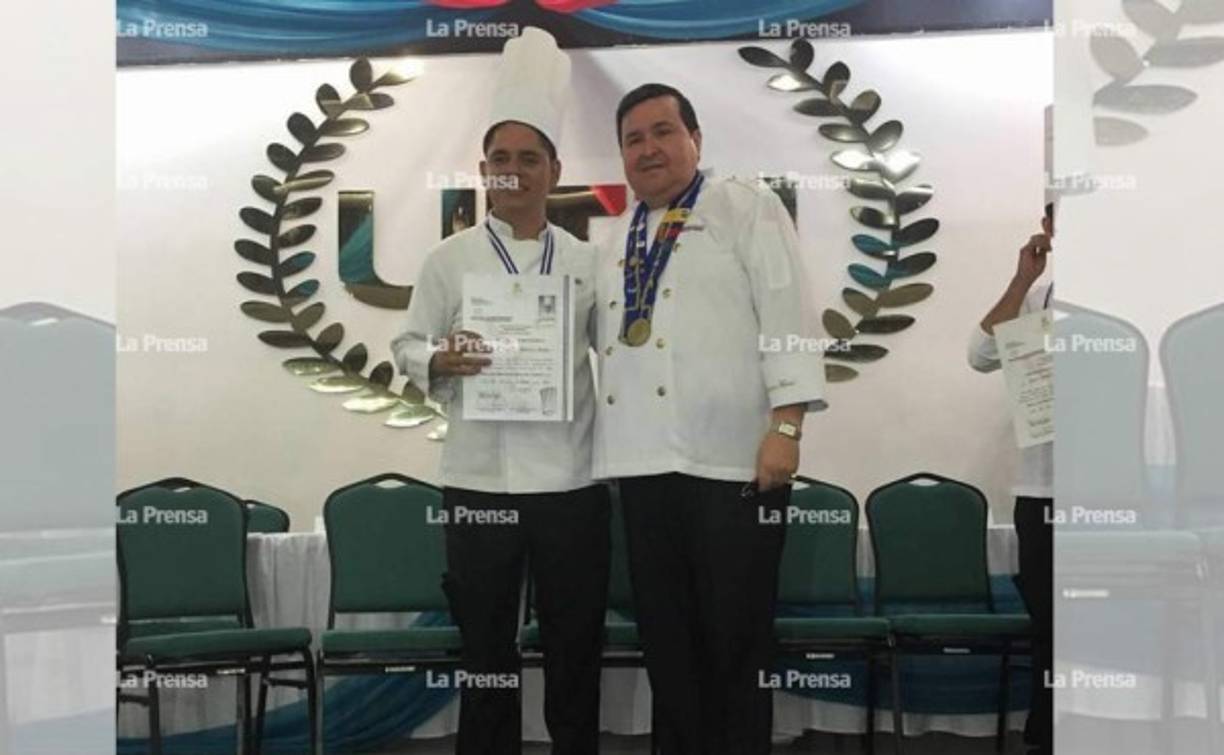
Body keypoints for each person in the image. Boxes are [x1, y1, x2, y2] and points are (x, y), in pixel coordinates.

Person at [592, 83, 827, 755]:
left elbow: (790, 319)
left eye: (663, 131)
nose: (649, 148)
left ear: (696, 139)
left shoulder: (745, 207)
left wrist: (786, 428)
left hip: (733, 466)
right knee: (667, 644)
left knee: (736, 643)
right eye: (633, 139)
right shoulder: (615, 237)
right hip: (641, 468)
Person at [391, 28, 608, 755]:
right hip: (477, 479)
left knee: (576, 639)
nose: (513, 171)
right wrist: (440, 359)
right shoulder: (447, 260)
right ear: (484, 170)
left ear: (555, 169)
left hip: (570, 480)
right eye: (500, 159)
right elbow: (408, 345)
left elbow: (620, 357)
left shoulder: (586, 260)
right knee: (487, 651)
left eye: (529, 158)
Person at [968, 202, 1055, 755]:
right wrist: (1023, 277)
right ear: (1050, 227)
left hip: (1115, 494)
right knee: (1052, 630)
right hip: (1043, 492)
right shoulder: (1039, 299)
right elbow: (979, 354)